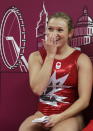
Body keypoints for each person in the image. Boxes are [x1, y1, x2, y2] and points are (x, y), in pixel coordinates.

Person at [19, 12, 93, 131]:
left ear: (70, 33)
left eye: (60, 30)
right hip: (42, 114)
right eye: (50, 29)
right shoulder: (36, 57)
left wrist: (59, 117)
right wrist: (50, 56)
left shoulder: (81, 59)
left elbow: (84, 101)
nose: (54, 34)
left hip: (70, 115)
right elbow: (38, 89)